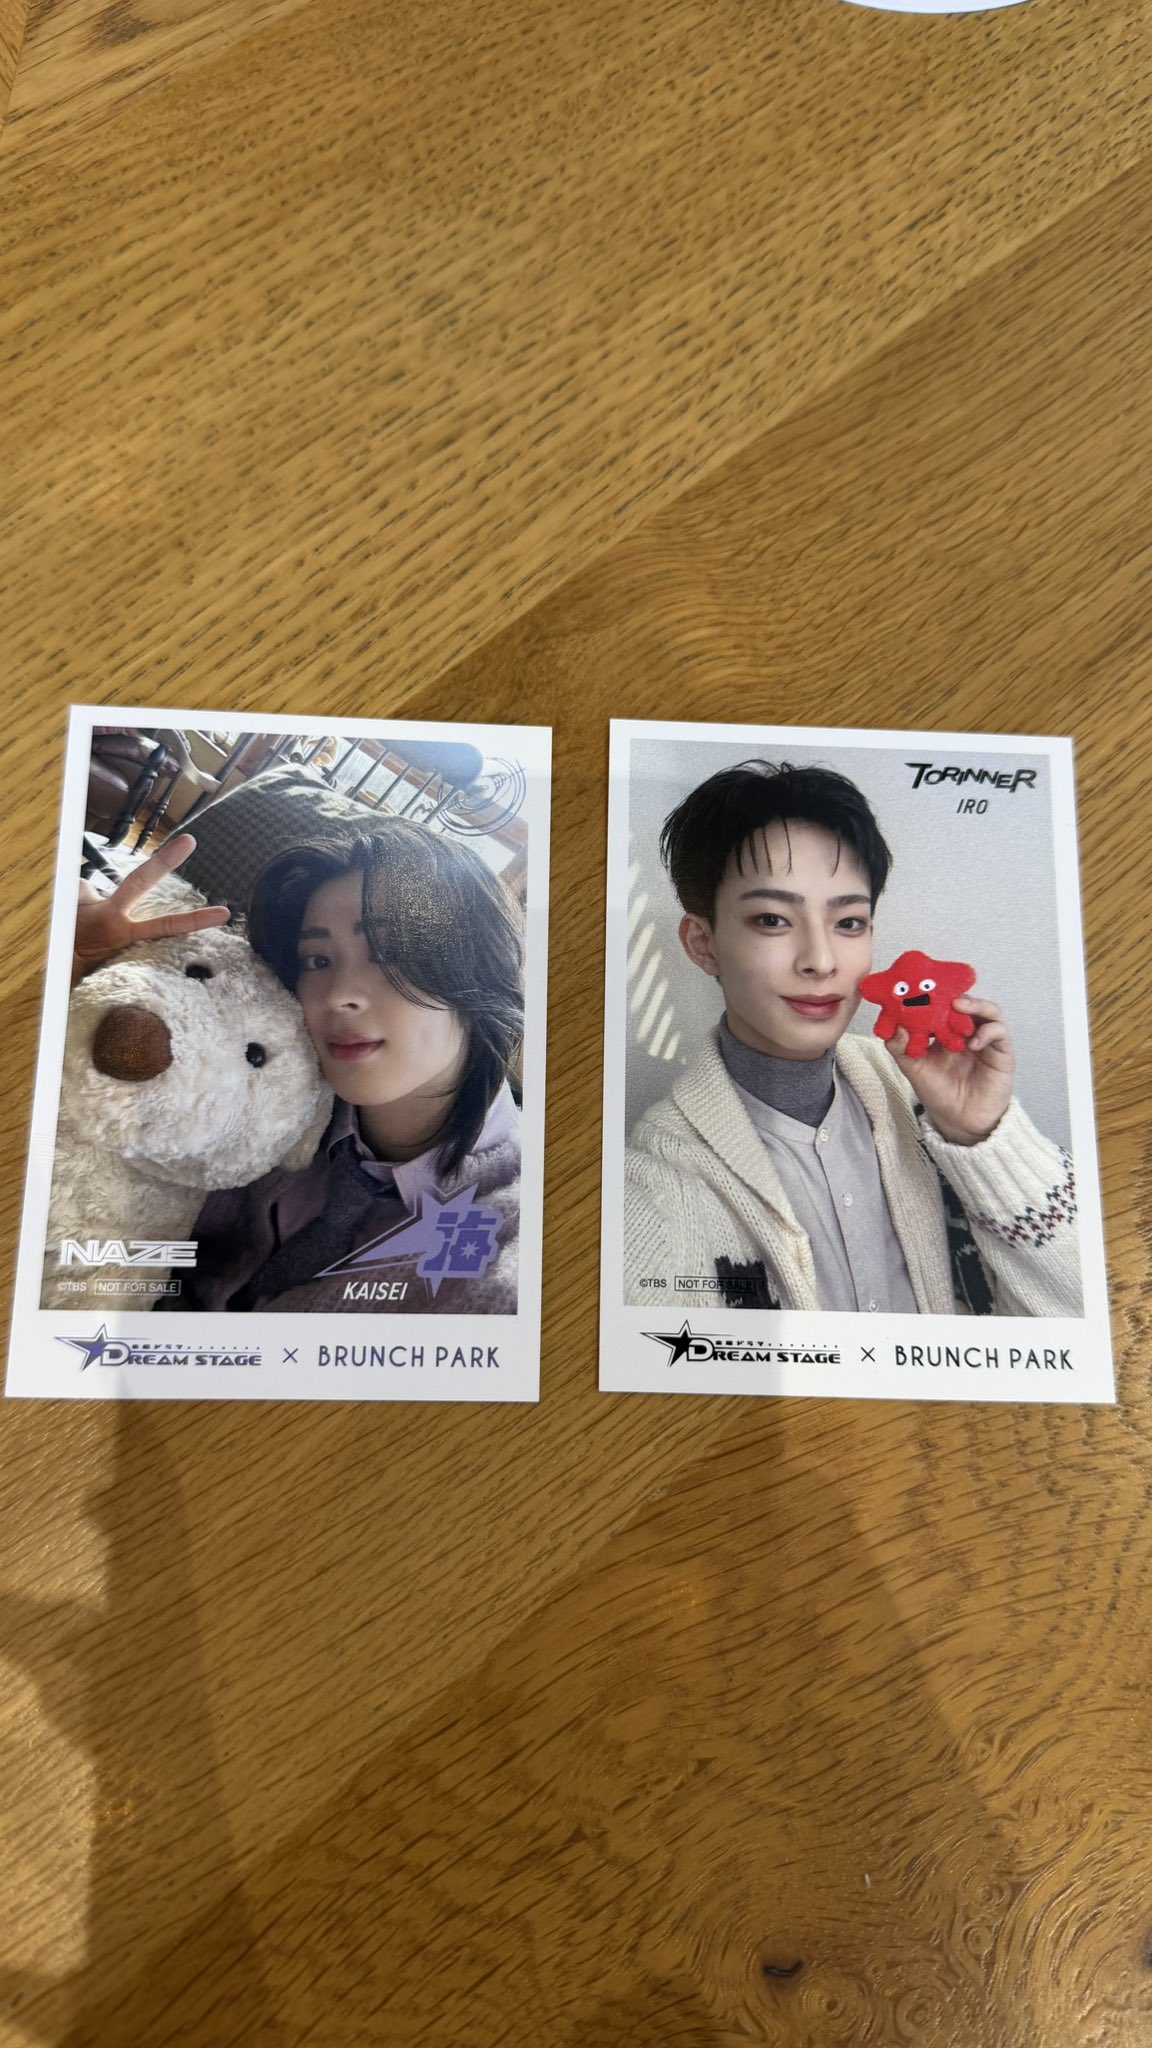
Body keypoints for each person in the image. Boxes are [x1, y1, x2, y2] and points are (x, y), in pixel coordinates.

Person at [624, 761, 1081, 1317]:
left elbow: (1091, 1322)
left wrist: (979, 1135)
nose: (821, 961)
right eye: (771, 920)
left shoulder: (921, 1096)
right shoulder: (654, 1187)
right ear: (703, 944)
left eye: (848, 923)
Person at [173, 817, 524, 1313]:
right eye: (317, 960)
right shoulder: (258, 1082)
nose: (338, 995)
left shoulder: (510, 1253)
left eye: (388, 953)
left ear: (480, 971)